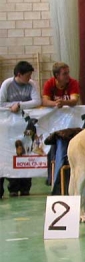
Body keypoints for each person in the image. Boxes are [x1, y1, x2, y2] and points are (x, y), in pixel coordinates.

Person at [0, 61, 42, 198]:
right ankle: (13, 187)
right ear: (19, 74)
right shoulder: (7, 84)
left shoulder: (32, 84)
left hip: (27, 128)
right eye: (28, 75)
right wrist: (12, 106)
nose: (30, 78)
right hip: (10, 128)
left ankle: (25, 187)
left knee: (27, 155)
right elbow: (1, 103)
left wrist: (18, 105)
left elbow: (37, 101)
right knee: (12, 155)